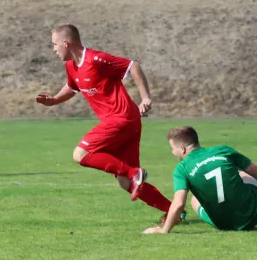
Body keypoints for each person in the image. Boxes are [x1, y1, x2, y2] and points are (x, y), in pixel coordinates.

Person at [35, 24, 172, 215]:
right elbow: (72, 87)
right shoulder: (71, 66)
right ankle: (173, 211)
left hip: (121, 118)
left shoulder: (96, 59)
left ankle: (135, 173)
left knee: (80, 154)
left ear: (66, 43)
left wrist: (146, 97)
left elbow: (133, 66)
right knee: (125, 183)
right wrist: (55, 99)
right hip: (127, 122)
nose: (54, 49)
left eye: (55, 44)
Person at [143, 126, 257, 233]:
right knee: (251, 173)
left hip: (222, 224)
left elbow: (179, 204)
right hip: (253, 215)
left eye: (173, 149)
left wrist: (164, 230)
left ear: (183, 148)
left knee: (195, 200)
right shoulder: (223, 150)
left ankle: (224, 215)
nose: (172, 153)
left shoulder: (181, 169)